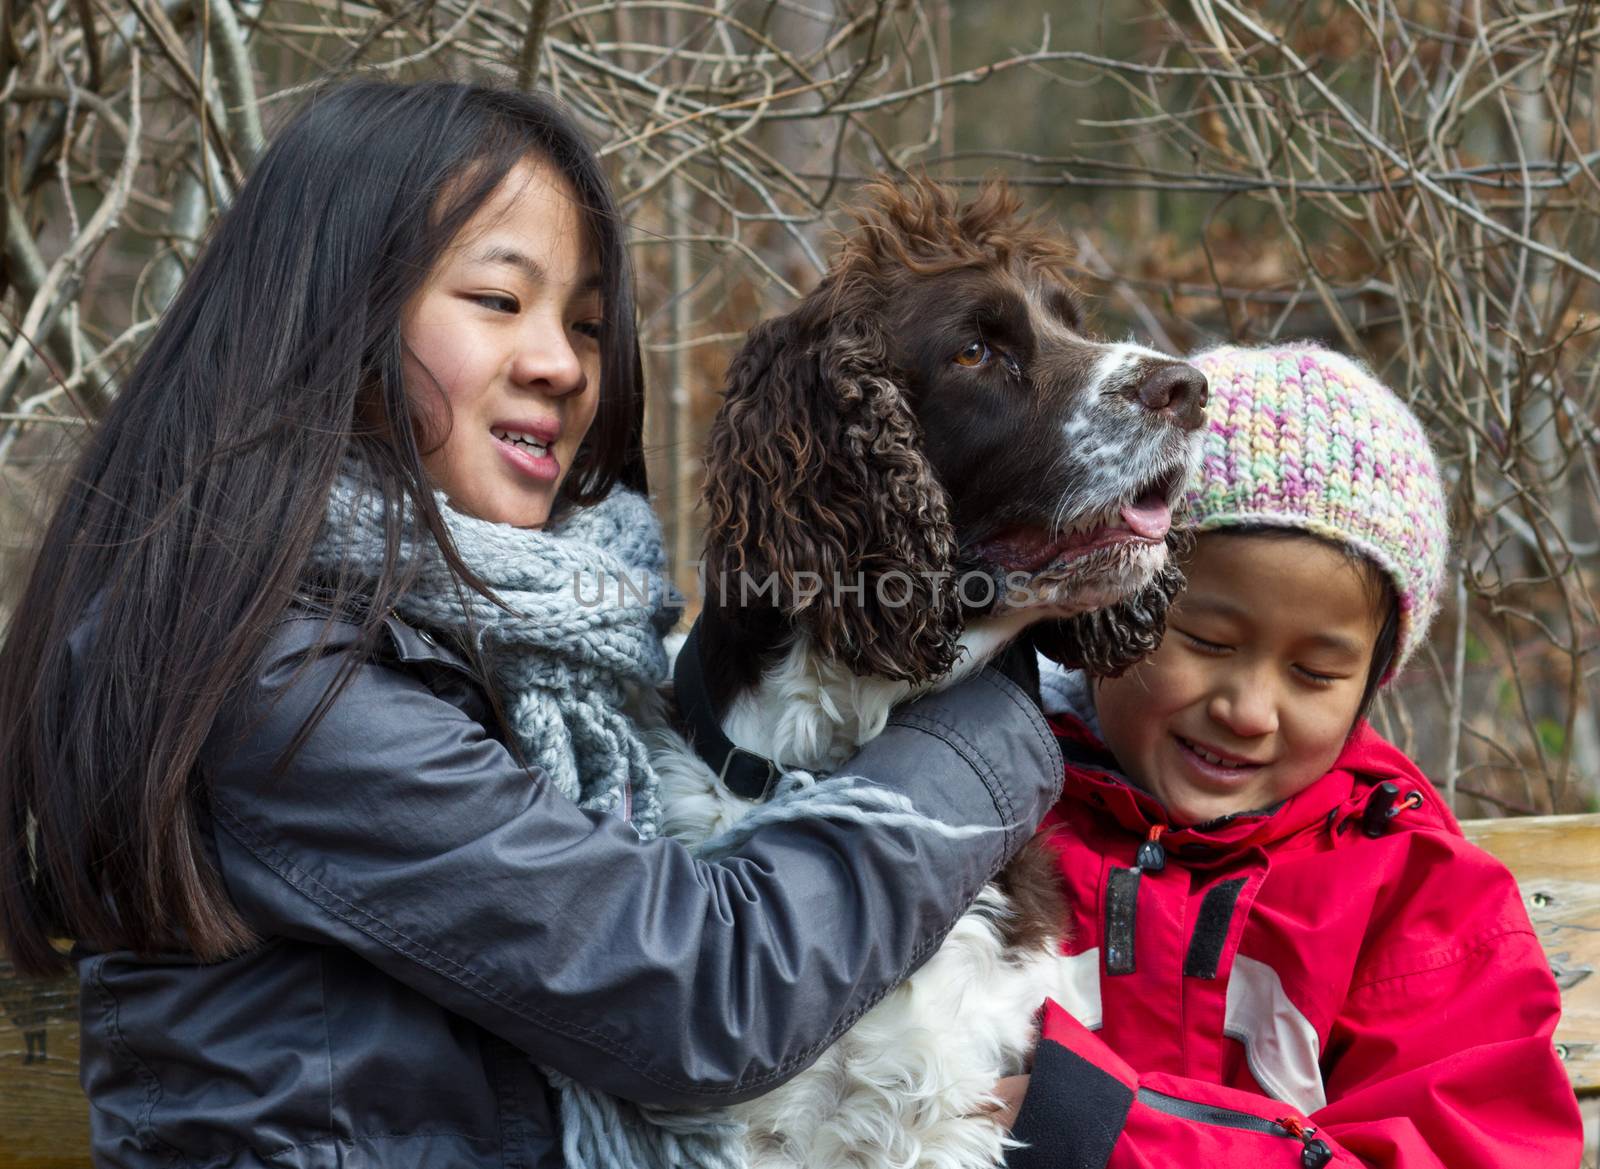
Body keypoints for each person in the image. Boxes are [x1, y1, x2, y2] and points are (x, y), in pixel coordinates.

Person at [0, 81, 1065, 1169]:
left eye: (587, 323)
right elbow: (698, 989)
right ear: (330, 312)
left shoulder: (525, 645)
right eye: (501, 301)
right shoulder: (259, 678)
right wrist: (994, 717)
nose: (563, 363)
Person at [1008, 344, 1583, 1168]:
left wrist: (1108, 1131)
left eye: (1315, 673)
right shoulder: (990, 816)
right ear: (1113, 606)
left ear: (1371, 682)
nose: (1247, 710)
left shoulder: (1421, 905)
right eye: (1206, 641)